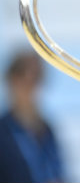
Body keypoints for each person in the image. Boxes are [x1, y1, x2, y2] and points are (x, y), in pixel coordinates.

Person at [0, 50, 66, 183]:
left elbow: (59, 173)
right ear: (11, 80)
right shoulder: (3, 131)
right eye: (23, 75)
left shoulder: (47, 129)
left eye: (36, 77)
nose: (30, 85)